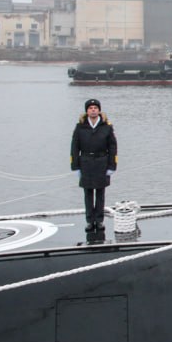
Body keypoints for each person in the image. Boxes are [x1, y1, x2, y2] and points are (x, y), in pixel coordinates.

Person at [70, 98, 117, 240]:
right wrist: (75, 166)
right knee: (88, 193)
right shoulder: (80, 127)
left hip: (102, 162)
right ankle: (90, 221)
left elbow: (113, 147)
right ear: (86, 111)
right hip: (86, 163)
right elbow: (74, 147)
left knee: (101, 193)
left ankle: (99, 220)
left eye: (95, 108)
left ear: (99, 110)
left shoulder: (106, 127)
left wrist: (112, 166)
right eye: (90, 108)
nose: (93, 110)